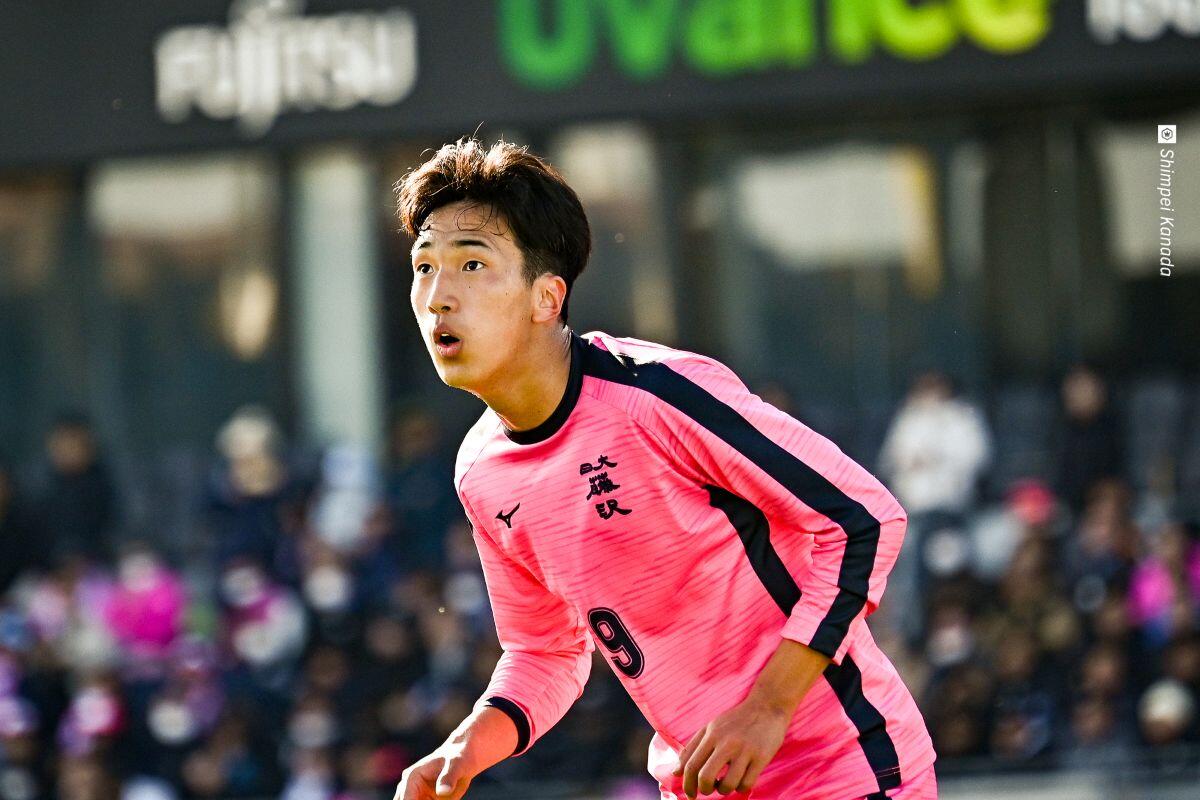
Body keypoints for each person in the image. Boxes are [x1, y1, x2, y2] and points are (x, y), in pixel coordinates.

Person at [391, 139, 936, 800]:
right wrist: (467, 746)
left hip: (846, 769)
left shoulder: (658, 396)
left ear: (547, 297)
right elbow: (545, 651)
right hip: (701, 785)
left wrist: (767, 707)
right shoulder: (480, 471)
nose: (437, 296)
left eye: (472, 264)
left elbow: (864, 520)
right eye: (424, 266)